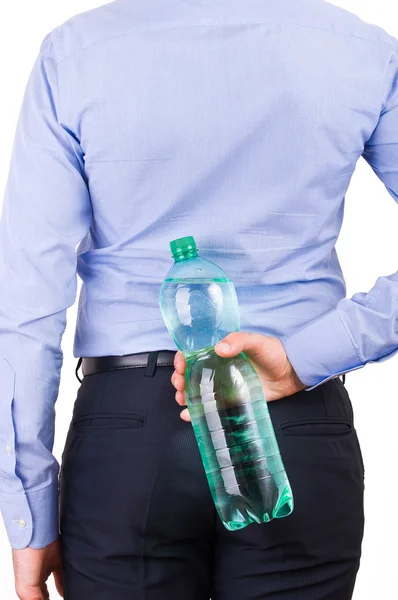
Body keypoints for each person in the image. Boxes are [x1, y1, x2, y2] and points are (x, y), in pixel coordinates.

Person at [1, 0, 398, 598]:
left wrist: (28, 507)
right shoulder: (360, 48)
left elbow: (27, 300)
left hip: (127, 434)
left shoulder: (75, 54)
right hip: (298, 421)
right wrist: (308, 355)